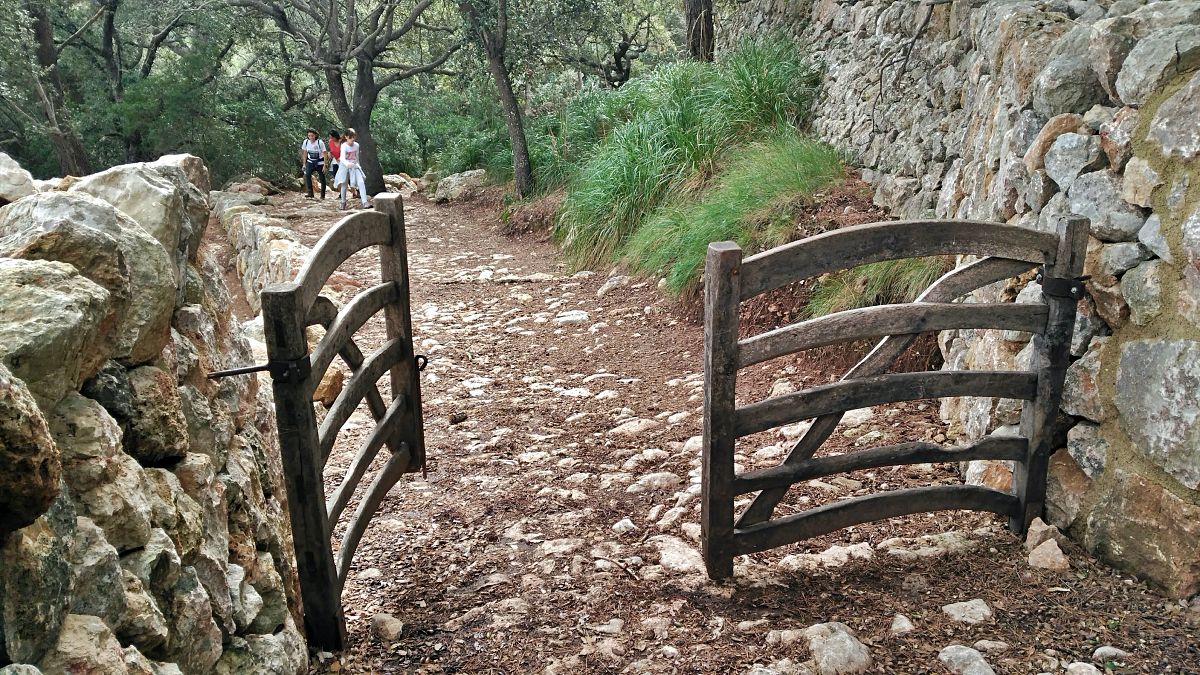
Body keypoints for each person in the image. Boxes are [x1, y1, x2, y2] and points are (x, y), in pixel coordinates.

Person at [334, 128, 370, 210]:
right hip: (344, 166)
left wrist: (358, 167)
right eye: (350, 137)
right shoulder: (344, 146)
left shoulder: (356, 145)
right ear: (346, 137)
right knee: (344, 184)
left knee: (361, 182)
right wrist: (347, 164)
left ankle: (365, 202)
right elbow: (342, 158)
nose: (352, 139)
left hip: (354, 165)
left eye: (354, 137)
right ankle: (343, 202)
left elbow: (357, 158)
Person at [299, 128, 328, 199]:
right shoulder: (306, 142)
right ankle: (310, 193)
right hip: (310, 162)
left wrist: (325, 165)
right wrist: (304, 163)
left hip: (320, 163)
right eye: (309, 136)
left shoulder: (319, 142)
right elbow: (305, 153)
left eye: (312, 135)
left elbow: (325, 153)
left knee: (322, 178)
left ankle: (322, 195)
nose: (311, 137)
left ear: (315, 135)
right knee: (307, 175)